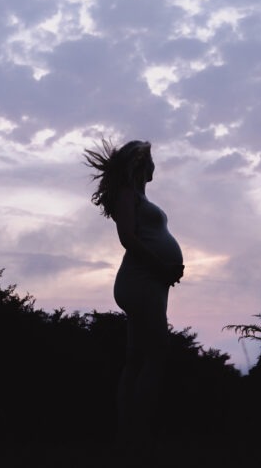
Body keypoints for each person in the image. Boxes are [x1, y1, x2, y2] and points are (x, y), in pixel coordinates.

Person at [84, 139, 184, 463]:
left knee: (136, 359)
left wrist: (166, 271)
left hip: (150, 282)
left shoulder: (138, 196)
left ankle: (127, 438)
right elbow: (127, 238)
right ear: (141, 163)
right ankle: (138, 437)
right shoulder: (128, 195)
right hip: (140, 281)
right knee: (157, 355)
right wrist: (161, 266)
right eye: (152, 160)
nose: (156, 166)